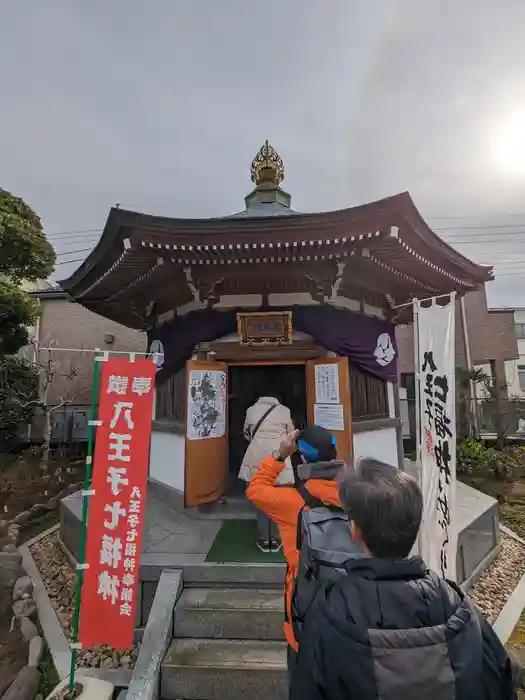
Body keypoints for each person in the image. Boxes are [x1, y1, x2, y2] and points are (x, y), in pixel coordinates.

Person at [289, 457, 516, 700]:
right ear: (415, 526)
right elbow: (499, 680)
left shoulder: (329, 610)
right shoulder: (455, 603)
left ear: (354, 529)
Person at [246, 424, 344, 675]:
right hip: (351, 606)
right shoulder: (358, 494)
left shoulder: (292, 501)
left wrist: (279, 455)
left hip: (305, 606)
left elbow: (255, 489)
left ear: (300, 457)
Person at [239, 393, 294, 553]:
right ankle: (276, 539)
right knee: (279, 501)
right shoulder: (284, 410)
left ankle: (264, 540)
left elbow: (246, 433)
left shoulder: (251, 410)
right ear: (277, 399)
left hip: (257, 458)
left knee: (262, 499)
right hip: (279, 457)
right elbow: (290, 434)